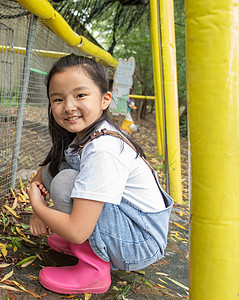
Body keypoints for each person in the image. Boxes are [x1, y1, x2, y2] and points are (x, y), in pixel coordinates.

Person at [28, 54, 173, 295]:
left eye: (80, 95)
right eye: (58, 99)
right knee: (57, 171)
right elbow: (45, 172)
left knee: (65, 182)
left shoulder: (102, 149)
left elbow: (77, 229)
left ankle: (93, 269)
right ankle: (87, 246)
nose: (69, 106)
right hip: (127, 224)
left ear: (105, 99)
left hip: (140, 241)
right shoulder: (84, 134)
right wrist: (38, 201)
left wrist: (39, 208)